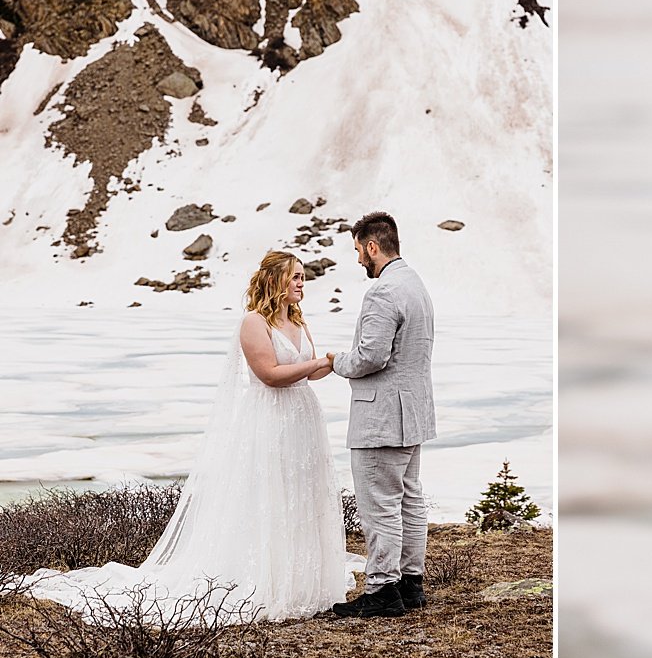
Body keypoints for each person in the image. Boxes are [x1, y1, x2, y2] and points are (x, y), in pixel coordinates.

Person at [24, 251, 355, 624]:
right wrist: (315, 363)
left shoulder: (298, 321)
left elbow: (307, 375)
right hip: (270, 418)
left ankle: (299, 577)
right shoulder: (254, 322)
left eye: (303, 278)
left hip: (302, 418)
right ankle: (266, 578)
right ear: (274, 280)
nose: (301, 284)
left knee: (299, 492)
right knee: (270, 494)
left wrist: (334, 363)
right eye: (295, 277)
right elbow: (270, 374)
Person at [330, 212, 438, 618]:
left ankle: (382, 589)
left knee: (380, 503)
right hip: (413, 412)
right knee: (409, 497)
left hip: (382, 418)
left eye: (359, 251)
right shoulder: (415, 284)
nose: (359, 260)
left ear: (372, 247)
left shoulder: (382, 293)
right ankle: (411, 583)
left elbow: (370, 356)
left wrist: (336, 361)